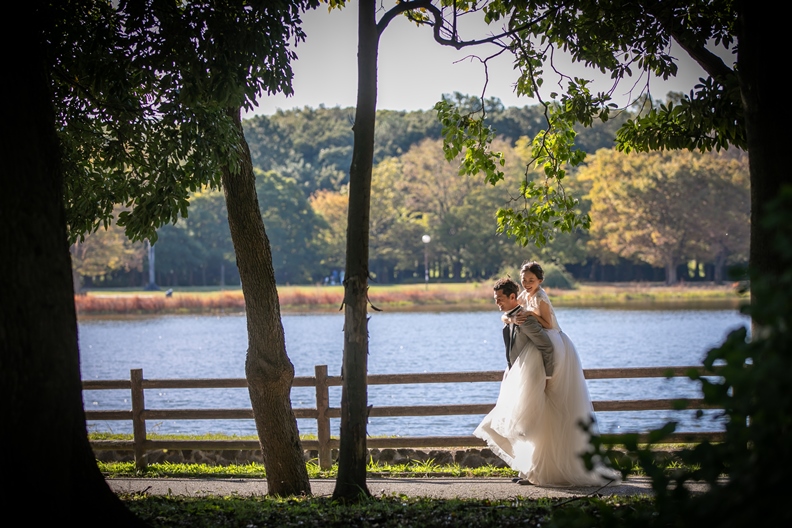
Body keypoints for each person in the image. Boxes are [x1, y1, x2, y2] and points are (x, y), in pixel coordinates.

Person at [474, 262, 619, 487]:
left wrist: (549, 375)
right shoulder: (523, 295)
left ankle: (542, 471)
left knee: (546, 417)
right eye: (524, 280)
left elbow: (547, 326)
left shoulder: (540, 298)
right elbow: (509, 314)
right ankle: (530, 469)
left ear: (540, 281)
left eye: (531, 280)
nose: (527, 284)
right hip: (536, 356)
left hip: (552, 349)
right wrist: (512, 317)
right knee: (534, 419)